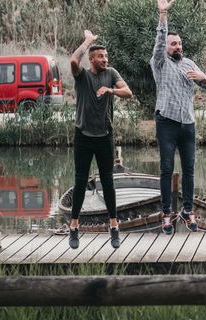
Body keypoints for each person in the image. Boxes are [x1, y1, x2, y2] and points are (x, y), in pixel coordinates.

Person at [150, 0, 206, 234]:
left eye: (179, 43)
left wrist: (204, 78)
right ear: (166, 47)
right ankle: (166, 213)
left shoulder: (189, 64)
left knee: (189, 170)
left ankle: (187, 210)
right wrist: (163, 15)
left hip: (188, 123)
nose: (178, 46)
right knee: (166, 168)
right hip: (166, 122)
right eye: (173, 43)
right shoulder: (160, 63)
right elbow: (158, 44)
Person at [68, 30, 133, 249]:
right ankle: (74, 227)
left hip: (105, 135)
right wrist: (88, 41)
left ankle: (113, 226)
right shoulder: (83, 75)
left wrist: (110, 91)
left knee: (108, 182)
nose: (105, 60)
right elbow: (73, 60)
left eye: (106, 57)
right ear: (92, 59)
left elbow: (128, 92)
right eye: (101, 57)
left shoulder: (111, 73)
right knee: (80, 181)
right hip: (83, 135)